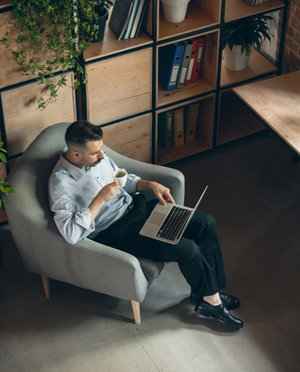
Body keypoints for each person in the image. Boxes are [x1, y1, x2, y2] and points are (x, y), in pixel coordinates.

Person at [48, 120, 243, 329]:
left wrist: (150, 184)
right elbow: (70, 233)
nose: (103, 156)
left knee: (206, 223)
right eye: (96, 153)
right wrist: (100, 199)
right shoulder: (61, 185)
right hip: (118, 232)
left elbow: (124, 180)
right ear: (76, 154)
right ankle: (211, 302)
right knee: (188, 249)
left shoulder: (97, 160)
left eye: (101, 149)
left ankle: (206, 293)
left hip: (138, 209)